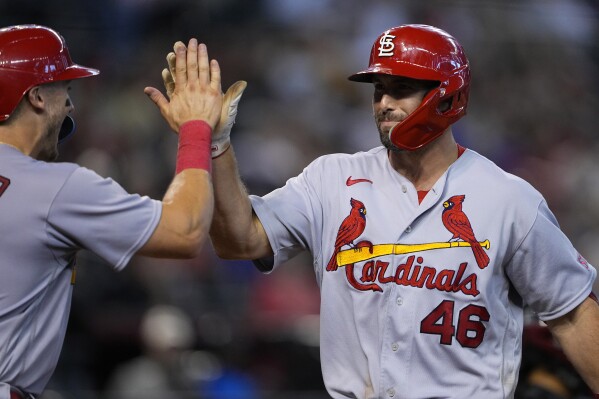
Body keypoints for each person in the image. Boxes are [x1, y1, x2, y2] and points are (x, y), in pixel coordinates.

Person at [203, 24, 599, 398]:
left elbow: (572, 312)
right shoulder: (331, 179)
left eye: (402, 89)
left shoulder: (509, 200)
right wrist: (217, 144)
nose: (384, 104)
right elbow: (240, 241)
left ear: (448, 94)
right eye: (379, 90)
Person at [0, 24, 224, 399]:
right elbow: (185, 232)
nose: (70, 105)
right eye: (65, 90)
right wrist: (197, 129)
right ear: (37, 97)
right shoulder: (57, 188)